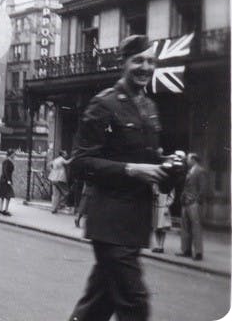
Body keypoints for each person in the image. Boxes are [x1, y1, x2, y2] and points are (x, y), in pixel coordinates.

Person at [68, 35, 170, 321]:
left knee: (97, 306)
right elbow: (80, 162)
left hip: (134, 225)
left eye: (151, 61)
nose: (145, 67)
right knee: (135, 304)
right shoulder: (104, 104)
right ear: (122, 63)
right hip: (110, 224)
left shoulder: (149, 108)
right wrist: (131, 170)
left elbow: (147, 161)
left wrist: (170, 166)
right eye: (138, 60)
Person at [176, 153, 207, 261]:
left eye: (188, 159)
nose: (187, 161)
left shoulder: (200, 171)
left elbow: (202, 188)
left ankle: (198, 252)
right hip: (186, 202)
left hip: (194, 203)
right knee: (185, 227)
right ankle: (186, 250)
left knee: (196, 227)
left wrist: (196, 200)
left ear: (193, 159)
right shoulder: (190, 171)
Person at [0, 149, 15, 216]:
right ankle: (4, 210)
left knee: (4, 195)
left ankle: (1, 210)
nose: (14, 155)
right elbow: (5, 171)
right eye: (13, 154)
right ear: (11, 155)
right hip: (5, 180)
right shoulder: (7, 161)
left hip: (4, 180)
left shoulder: (7, 161)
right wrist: (8, 180)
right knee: (8, 195)